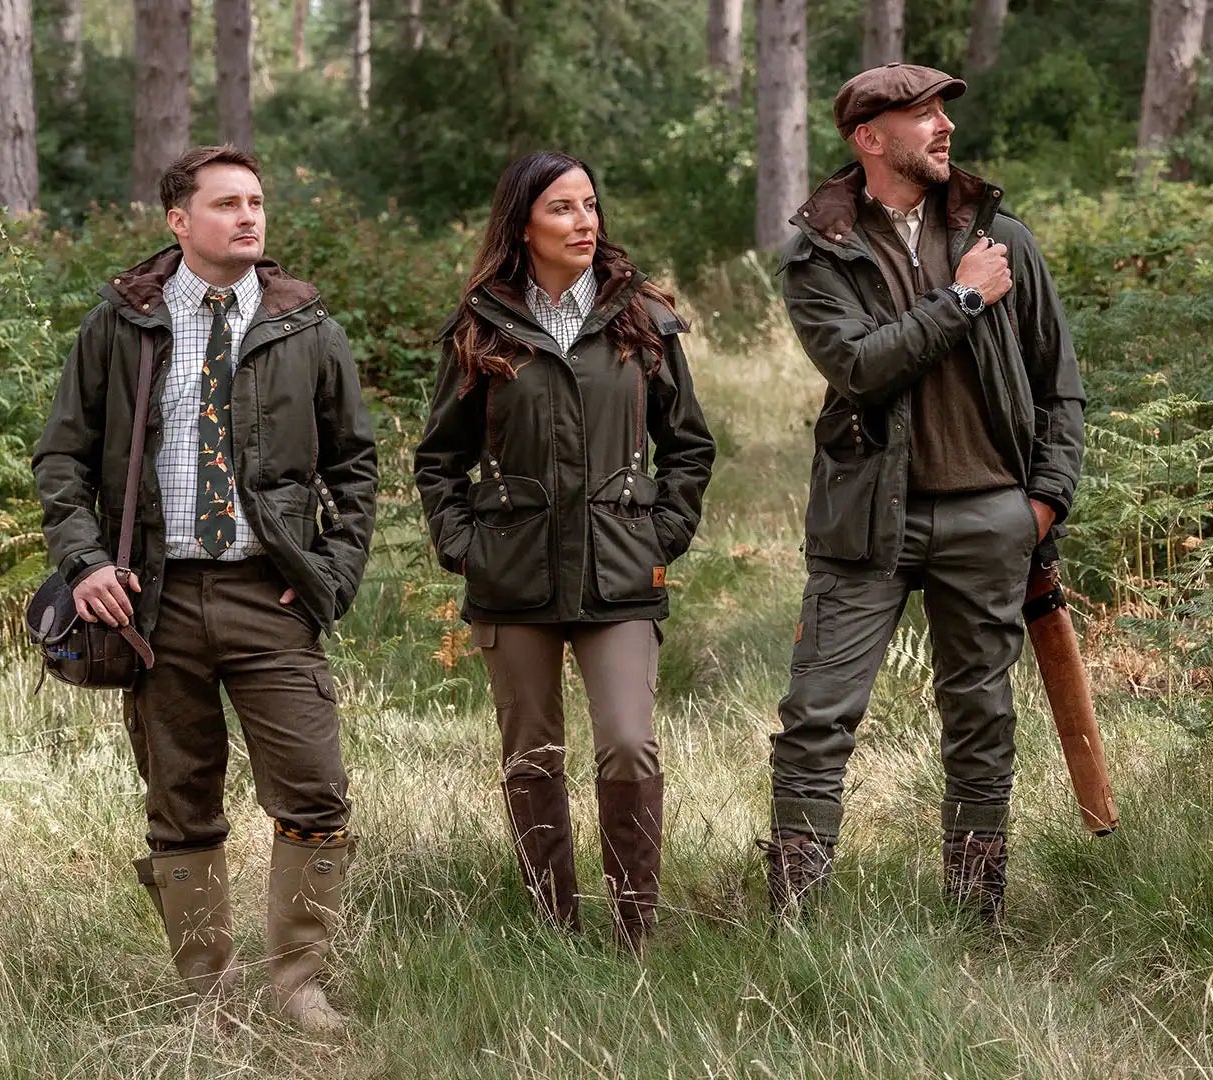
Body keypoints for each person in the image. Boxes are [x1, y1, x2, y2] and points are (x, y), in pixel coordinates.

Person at [33, 145, 377, 1031]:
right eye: (227, 204)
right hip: (155, 603)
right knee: (180, 799)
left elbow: (357, 467)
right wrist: (87, 563)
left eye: (257, 202)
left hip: (273, 597)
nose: (250, 217)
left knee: (314, 789)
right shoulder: (121, 326)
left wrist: (329, 575)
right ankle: (208, 994)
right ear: (178, 221)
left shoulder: (307, 328)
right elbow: (62, 459)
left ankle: (298, 984)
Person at [758, 64, 1085, 924]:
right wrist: (962, 298)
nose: (943, 128)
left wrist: (1043, 501)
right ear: (871, 139)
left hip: (992, 516)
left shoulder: (1003, 237)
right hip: (868, 522)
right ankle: (794, 919)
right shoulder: (820, 253)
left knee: (982, 721)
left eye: (944, 113)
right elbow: (861, 369)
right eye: (922, 116)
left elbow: (1062, 385)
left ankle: (974, 917)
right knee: (816, 717)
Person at [414, 151, 716, 951]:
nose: (583, 222)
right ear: (523, 225)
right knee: (533, 754)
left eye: (590, 205)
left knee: (625, 739)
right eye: (562, 209)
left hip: (622, 571)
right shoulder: (480, 325)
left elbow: (687, 446)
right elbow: (438, 458)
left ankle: (633, 932)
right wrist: (465, 546)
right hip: (512, 577)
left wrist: (661, 535)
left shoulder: (641, 318)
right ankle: (555, 928)